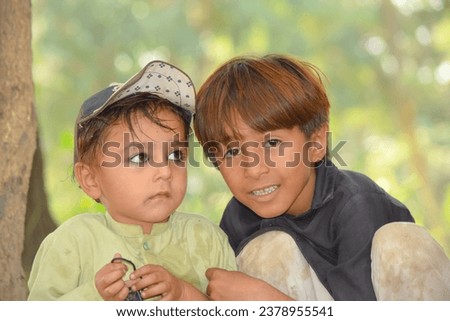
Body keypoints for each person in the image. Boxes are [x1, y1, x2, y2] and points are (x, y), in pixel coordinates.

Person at [194, 54, 450, 300]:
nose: (253, 169)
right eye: (233, 151)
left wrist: (272, 303)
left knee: (400, 243)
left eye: (272, 143)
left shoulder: (356, 206)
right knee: (265, 252)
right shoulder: (239, 217)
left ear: (315, 143)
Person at [28, 60, 236, 301]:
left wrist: (183, 294)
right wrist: (93, 296)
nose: (165, 171)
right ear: (91, 179)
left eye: (175, 155)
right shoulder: (71, 243)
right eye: (139, 157)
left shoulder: (207, 239)